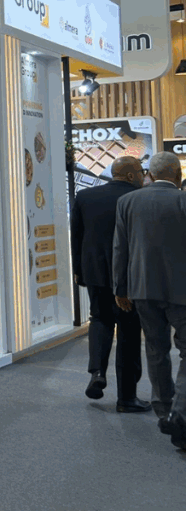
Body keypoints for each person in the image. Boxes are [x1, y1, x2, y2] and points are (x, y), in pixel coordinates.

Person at [113, 151, 186, 450]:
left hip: (142, 288)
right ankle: (180, 412)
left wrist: (120, 288)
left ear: (150, 175)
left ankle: (164, 409)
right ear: (178, 175)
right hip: (182, 291)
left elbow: (121, 248)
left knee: (156, 349)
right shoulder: (183, 201)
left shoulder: (127, 202)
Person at [70, 156, 147, 411]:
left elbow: (77, 236)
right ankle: (127, 397)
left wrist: (78, 271)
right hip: (129, 275)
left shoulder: (85, 196)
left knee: (100, 319)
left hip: (95, 273)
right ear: (130, 175)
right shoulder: (137, 198)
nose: (143, 176)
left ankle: (97, 373)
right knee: (128, 331)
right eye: (141, 171)